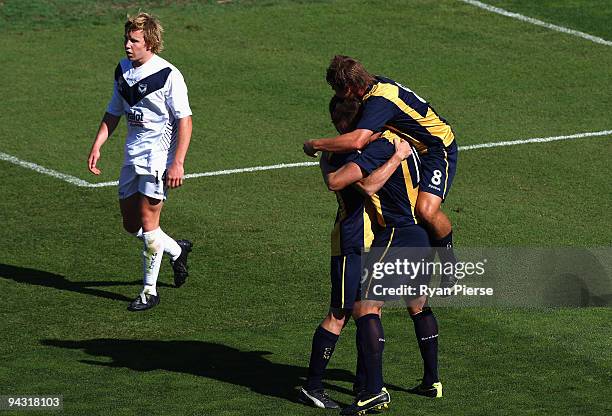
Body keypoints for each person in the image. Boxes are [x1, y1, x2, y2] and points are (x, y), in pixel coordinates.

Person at [322, 112, 443, 416]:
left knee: (364, 308)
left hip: (397, 235)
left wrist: (319, 146)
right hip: (421, 235)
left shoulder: (383, 146)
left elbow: (365, 187)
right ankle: (432, 380)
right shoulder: (414, 145)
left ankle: (373, 392)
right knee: (418, 304)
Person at [304, 55, 459, 289]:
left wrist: (315, 145)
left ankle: (450, 267)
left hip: (437, 148)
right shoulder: (373, 87)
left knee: (425, 210)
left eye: (336, 89)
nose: (335, 95)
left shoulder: (379, 101)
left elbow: (358, 141)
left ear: (349, 87)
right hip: (414, 145)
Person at [299, 97, 413, 409]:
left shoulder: (354, 147)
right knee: (341, 312)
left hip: (372, 241)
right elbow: (349, 184)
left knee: (370, 311)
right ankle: (312, 385)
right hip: (353, 242)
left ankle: (367, 385)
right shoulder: (339, 155)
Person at [87, 12, 193, 312]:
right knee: (131, 224)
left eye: (134, 41)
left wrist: (178, 163)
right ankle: (176, 249)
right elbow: (113, 111)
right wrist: (98, 144)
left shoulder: (169, 75)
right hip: (131, 157)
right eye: (126, 39)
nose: (127, 45)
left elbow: (185, 121)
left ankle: (149, 291)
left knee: (148, 224)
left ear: (151, 43)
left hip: (157, 160)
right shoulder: (122, 70)